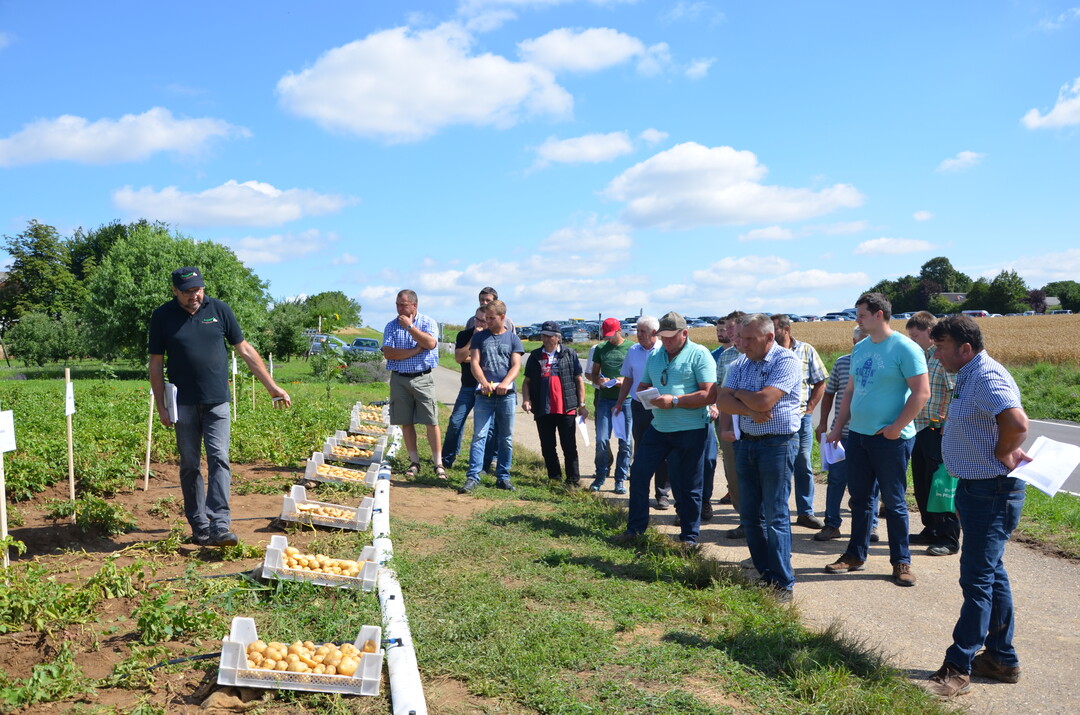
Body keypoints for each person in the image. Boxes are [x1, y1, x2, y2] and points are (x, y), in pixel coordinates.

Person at [923, 315, 1030, 697]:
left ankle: (958, 667)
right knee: (991, 573)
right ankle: (1001, 659)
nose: (936, 355)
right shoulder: (968, 374)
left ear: (965, 348)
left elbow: (1017, 423)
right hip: (978, 489)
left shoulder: (986, 376)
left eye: (941, 347)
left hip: (992, 491)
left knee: (977, 578)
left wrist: (1003, 451)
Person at [149, 266, 291, 547]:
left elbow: (245, 350)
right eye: (188, 291)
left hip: (217, 401)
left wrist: (272, 387)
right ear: (175, 291)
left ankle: (220, 524)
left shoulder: (219, 310)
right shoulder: (162, 316)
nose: (195, 295)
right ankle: (199, 525)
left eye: (198, 289)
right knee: (190, 464)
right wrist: (161, 405)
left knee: (219, 459)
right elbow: (156, 362)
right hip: (182, 404)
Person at [824, 292, 929, 588]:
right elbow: (849, 391)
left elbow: (921, 392)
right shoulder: (861, 348)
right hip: (858, 436)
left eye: (862, 314)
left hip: (891, 439)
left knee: (894, 502)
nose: (857, 319)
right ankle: (855, 555)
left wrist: (896, 427)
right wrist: (838, 426)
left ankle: (901, 561)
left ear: (879, 314)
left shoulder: (905, 348)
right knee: (859, 499)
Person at [717, 314, 803, 600]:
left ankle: (783, 582)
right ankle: (766, 574)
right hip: (747, 443)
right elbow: (722, 400)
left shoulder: (786, 361)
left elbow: (765, 400)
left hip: (777, 444)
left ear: (769, 337)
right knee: (750, 515)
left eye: (750, 339)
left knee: (775, 514)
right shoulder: (741, 362)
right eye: (741, 338)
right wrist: (749, 409)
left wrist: (741, 394)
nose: (743, 344)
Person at [615, 312, 716, 546]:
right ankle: (635, 530)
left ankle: (689, 538)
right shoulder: (656, 356)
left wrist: (676, 401)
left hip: (691, 429)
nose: (667, 341)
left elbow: (709, 394)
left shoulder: (699, 354)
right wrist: (649, 396)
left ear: (685, 333)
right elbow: (642, 386)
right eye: (663, 337)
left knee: (689, 484)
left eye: (671, 337)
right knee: (639, 473)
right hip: (659, 427)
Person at [814, 326, 880, 542]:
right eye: (862, 339)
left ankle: (871, 526)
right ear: (853, 341)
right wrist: (823, 424)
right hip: (841, 434)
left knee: (871, 483)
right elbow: (829, 393)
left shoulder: (881, 363)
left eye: (870, 339)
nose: (867, 343)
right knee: (836, 480)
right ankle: (832, 524)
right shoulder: (842, 363)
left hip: (869, 433)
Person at [905, 311, 960, 556]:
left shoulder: (943, 359)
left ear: (929, 332)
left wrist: (948, 422)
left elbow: (955, 392)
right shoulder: (924, 357)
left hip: (938, 430)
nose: (912, 340)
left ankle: (949, 537)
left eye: (915, 336)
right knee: (923, 483)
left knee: (941, 484)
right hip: (919, 427)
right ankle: (931, 529)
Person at [459, 299, 524, 493]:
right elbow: (474, 363)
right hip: (483, 394)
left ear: (502, 317)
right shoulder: (479, 337)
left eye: (491, 318)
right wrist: (483, 381)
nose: (487, 321)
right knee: (479, 435)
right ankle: (473, 476)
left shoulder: (513, 339)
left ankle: (503, 477)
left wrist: (505, 383)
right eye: (486, 317)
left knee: (506, 437)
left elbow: (516, 366)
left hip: (506, 395)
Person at [771, 314, 829, 530]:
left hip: (801, 417)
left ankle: (805, 512)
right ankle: (778, 513)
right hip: (775, 418)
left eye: (774, 329)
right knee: (778, 465)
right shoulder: (767, 353)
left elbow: (820, 381)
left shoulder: (806, 350)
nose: (770, 333)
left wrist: (810, 408)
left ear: (786, 330)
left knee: (803, 462)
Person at [382, 289, 444, 479]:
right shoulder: (391, 326)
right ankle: (414, 461)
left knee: (431, 421)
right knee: (406, 421)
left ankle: (438, 463)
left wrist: (410, 327)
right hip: (399, 378)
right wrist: (415, 351)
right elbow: (388, 353)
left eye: (403, 305)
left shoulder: (427, 322)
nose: (399, 308)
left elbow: (430, 343)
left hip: (422, 378)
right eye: (397, 305)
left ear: (414, 305)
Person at [614, 316, 672, 509]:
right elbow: (628, 379)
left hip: (661, 407)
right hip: (640, 406)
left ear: (654, 333)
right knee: (642, 449)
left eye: (642, 331)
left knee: (664, 450)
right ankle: (641, 494)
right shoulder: (633, 351)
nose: (638, 334)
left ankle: (662, 494)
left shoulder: (665, 350)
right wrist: (620, 402)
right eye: (637, 331)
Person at [522, 321, 586, 487]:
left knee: (569, 446)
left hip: (566, 408)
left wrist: (582, 404)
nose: (545, 338)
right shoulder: (535, 356)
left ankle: (573, 480)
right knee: (548, 446)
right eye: (543, 335)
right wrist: (526, 399)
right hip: (543, 408)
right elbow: (527, 381)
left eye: (549, 336)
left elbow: (579, 380)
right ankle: (555, 478)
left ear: (558, 338)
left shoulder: (569, 353)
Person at [441, 307, 498, 471]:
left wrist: (472, 358)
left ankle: (485, 465)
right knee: (455, 422)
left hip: (487, 386)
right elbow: (459, 357)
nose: (479, 323)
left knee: (489, 427)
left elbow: (489, 361)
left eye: (483, 321)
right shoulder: (464, 335)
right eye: (477, 319)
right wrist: (473, 339)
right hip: (468, 385)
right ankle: (446, 460)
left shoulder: (494, 337)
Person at [590, 318, 632, 494]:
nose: (609, 339)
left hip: (626, 400)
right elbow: (593, 374)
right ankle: (600, 475)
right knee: (602, 439)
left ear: (619, 330)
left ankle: (620, 479)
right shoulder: (600, 348)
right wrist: (599, 381)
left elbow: (637, 373)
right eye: (606, 335)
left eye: (612, 335)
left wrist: (625, 381)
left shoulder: (631, 348)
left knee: (625, 442)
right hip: (605, 399)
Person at [715, 311, 746, 538]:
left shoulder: (760, 354)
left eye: (731, 328)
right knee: (733, 471)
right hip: (728, 420)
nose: (728, 333)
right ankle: (744, 518)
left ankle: (759, 520)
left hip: (753, 421)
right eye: (726, 329)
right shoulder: (726, 356)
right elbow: (719, 389)